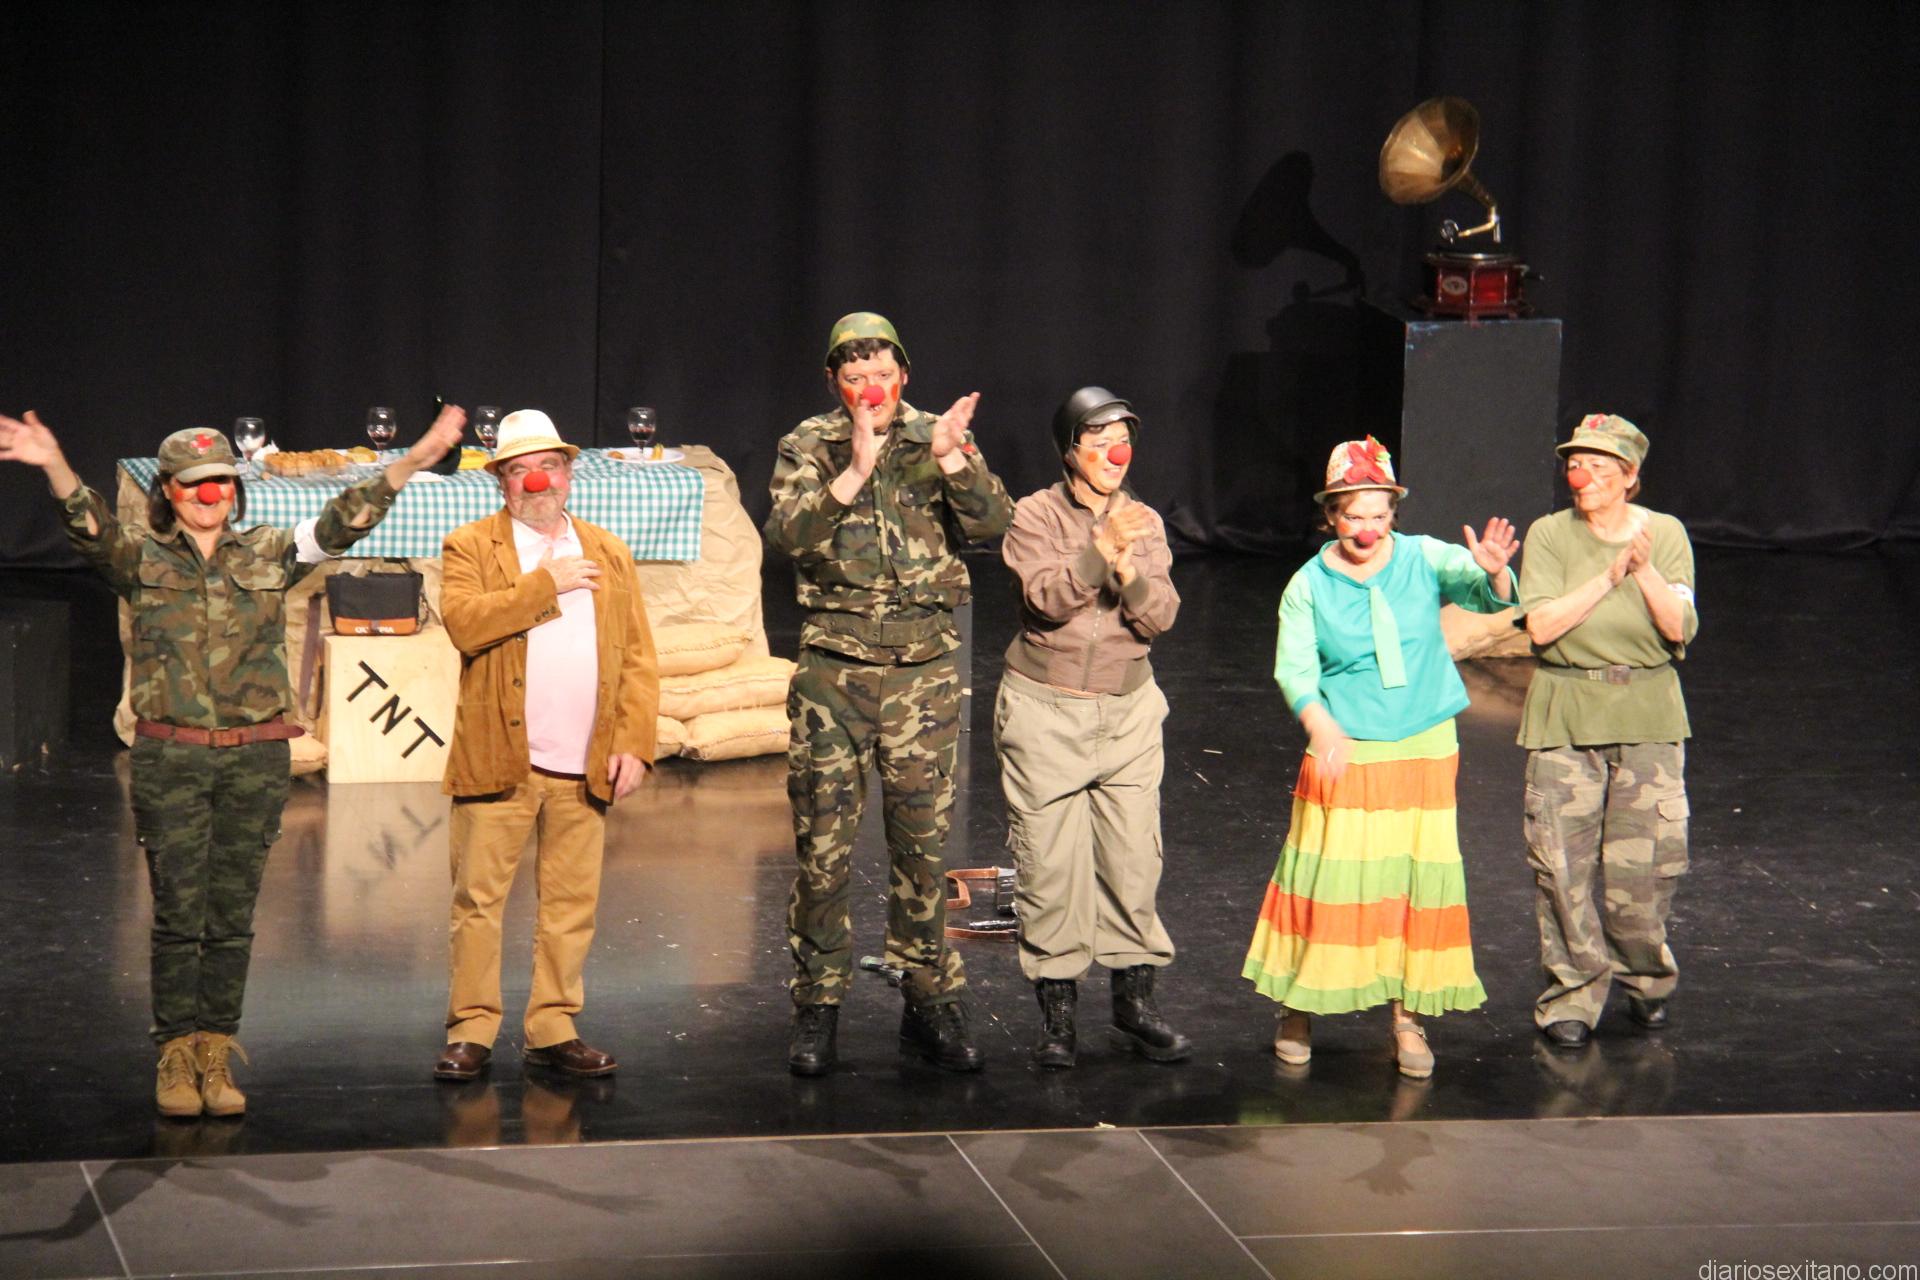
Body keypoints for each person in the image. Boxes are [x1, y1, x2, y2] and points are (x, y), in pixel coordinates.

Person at [0, 405, 464, 1116]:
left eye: (220, 482)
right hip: (173, 761)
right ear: (169, 492)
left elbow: (344, 521)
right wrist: (55, 462)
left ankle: (215, 1051)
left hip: (253, 761)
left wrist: (414, 458)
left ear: (237, 490)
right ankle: (173, 1054)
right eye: (193, 484)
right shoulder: (140, 558)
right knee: (178, 915)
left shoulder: (271, 552)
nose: (210, 495)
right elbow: (88, 526)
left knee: (232, 917)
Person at [764, 311, 1013, 1076]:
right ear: (834, 383)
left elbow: (995, 522)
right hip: (833, 674)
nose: (870, 389)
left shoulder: (937, 436)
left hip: (921, 674)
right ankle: (818, 1004)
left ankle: (928, 999)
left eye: (882, 374)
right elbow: (787, 536)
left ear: (903, 374)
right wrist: (854, 469)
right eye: (854, 376)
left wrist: (954, 460)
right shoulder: (810, 444)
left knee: (923, 850)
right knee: (823, 852)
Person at [1243, 437, 1516, 1078]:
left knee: (1411, 885)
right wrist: (1322, 726)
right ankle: (1298, 1006)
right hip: (1350, 744)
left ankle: (1406, 1018)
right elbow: (1295, 670)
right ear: (1331, 517)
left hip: (1424, 743)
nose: (1366, 528)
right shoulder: (1309, 585)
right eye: (1352, 515)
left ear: (1393, 513)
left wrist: (1494, 572)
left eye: (1378, 514)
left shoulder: (1423, 557)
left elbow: (1484, 593)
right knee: (1328, 879)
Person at [433, 409, 660, 1082]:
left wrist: (634, 742)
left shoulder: (607, 549)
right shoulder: (471, 546)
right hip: (499, 759)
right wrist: (546, 584)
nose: (537, 481)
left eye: (549, 466)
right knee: (478, 901)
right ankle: (472, 1029)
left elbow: (638, 655)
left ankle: (554, 1026)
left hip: (582, 761)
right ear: (501, 480)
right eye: (520, 470)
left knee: (571, 904)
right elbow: (465, 624)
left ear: (568, 472)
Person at [996, 386, 1189, 1069]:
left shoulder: (1145, 522)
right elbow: (1044, 600)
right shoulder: (1035, 514)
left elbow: (1160, 616)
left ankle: (1134, 1004)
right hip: (1046, 712)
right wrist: (1094, 554)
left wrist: (1128, 570)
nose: (1115, 453)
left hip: (1127, 714)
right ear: (1071, 450)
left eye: (1123, 440)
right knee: (1050, 868)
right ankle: (1058, 1020)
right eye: (1099, 440)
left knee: (1134, 861)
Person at [1518, 413, 1697, 1048]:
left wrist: (1643, 569)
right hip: (1566, 712)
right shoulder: (1550, 534)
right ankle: (1572, 992)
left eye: (1598, 465)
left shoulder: (1665, 533)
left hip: (1647, 714)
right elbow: (1542, 627)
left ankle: (1646, 980)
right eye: (1575, 464)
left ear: (1629, 476)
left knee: (1643, 871)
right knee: (1560, 869)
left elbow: (1678, 627)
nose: (1582, 476)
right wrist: (1609, 575)